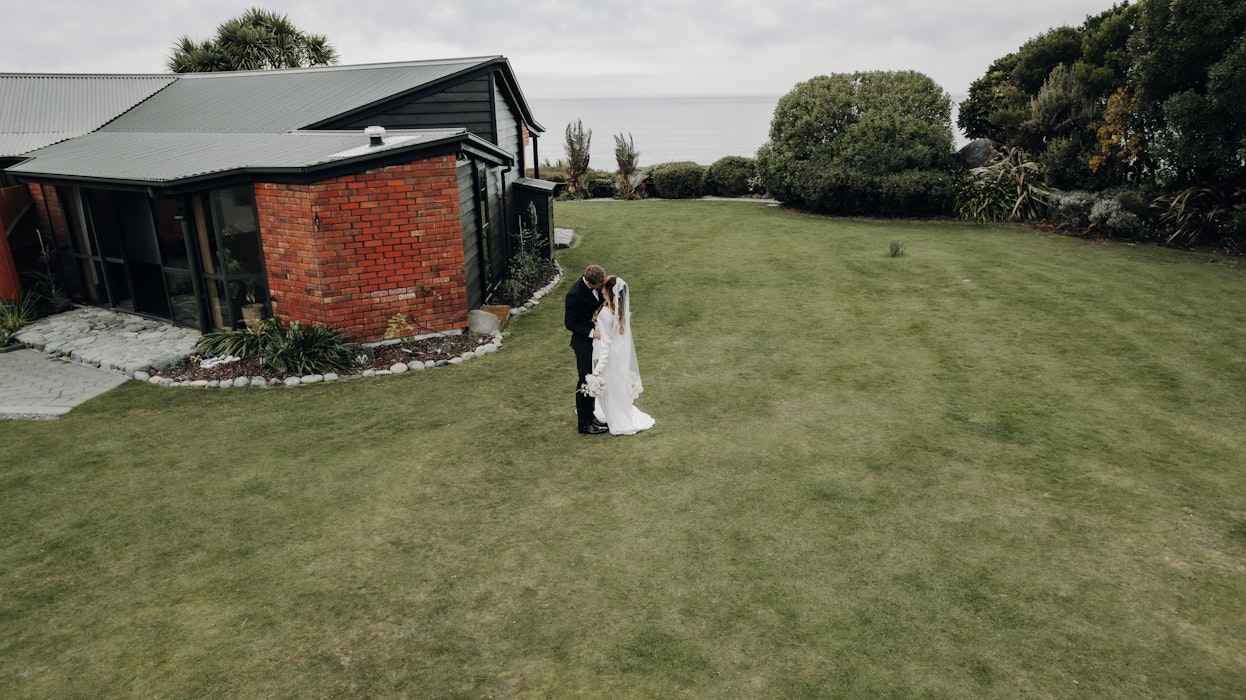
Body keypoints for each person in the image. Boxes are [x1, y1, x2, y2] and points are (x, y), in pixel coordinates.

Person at [590, 276, 655, 435]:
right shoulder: (619, 310)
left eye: (604, 287)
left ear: (609, 291)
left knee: (610, 385)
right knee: (617, 383)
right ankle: (620, 410)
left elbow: (605, 343)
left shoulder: (605, 313)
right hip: (619, 353)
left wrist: (598, 369)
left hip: (610, 355)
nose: (601, 289)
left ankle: (617, 417)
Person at [565, 264, 609, 434]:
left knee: (594, 378)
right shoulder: (574, 295)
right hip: (584, 344)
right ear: (590, 283)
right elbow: (570, 322)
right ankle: (584, 423)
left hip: (597, 344)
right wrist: (592, 332)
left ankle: (591, 416)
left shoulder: (598, 285)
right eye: (599, 285)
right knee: (585, 381)